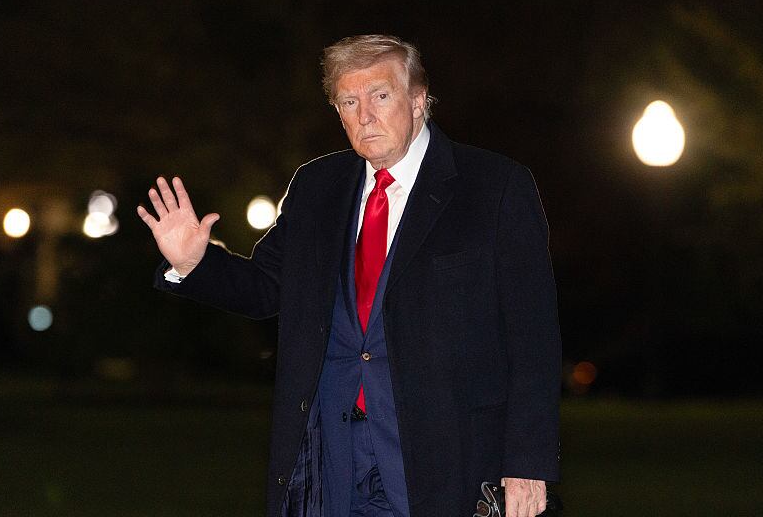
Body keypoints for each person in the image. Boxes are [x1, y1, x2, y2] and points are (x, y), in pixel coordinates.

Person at [138, 35, 560, 517]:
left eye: (380, 95)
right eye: (349, 102)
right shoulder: (317, 186)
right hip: (329, 457)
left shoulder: (494, 187)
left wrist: (527, 461)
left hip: (442, 457)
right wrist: (193, 263)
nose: (365, 116)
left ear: (418, 101)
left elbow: (533, 337)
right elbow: (265, 287)